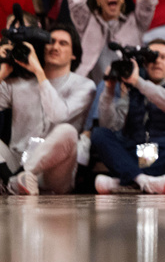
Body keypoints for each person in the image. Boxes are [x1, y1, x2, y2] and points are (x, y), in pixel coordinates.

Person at [91, 38, 165, 194]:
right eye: (151, 58)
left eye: (163, 57)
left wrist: (139, 83)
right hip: (139, 152)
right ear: (144, 63)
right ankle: (143, 181)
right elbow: (110, 125)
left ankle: (128, 182)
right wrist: (109, 90)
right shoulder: (133, 88)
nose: (157, 62)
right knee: (100, 134)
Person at [0, 26, 96, 195]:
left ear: (74, 54)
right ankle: (14, 181)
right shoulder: (17, 83)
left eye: (63, 43)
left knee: (67, 131)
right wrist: (2, 72)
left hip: (55, 171)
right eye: (50, 42)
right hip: (16, 159)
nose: (55, 47)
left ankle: (15, 180)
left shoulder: (84, 85)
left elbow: (58, 115)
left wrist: (39, 72)